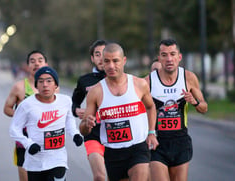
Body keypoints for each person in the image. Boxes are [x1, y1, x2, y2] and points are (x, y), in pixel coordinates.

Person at [80, 43, 158, 181]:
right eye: (107, 61)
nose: (111, 66)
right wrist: (87, 123)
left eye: (115, 61)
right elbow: (83, 130)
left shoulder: (139, 84)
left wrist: (151, 132)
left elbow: (151, 107)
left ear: (124, 61)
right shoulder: (96, 91)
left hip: (138, 147)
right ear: (102, 63)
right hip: (112, 152)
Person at [145, 38, 208, 181]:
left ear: (179, 57)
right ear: (159, 57)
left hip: (181, 141)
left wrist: (195, 102)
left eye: (173, 54)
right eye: (165, 55)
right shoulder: (148, 82)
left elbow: (204, 108)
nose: (169, 59)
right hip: (157, 143)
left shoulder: (188, 78)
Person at [9, 66, 83, 181]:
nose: (45, 85)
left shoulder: (65, 101)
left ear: (56, 85)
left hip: (58, 160)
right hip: (35, 162)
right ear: (36, 85)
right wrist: (28, 144)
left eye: (49, 81)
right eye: (41, 81)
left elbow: (69, 121)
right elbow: (14, 129)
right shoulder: (26, 105)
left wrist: (75, 134)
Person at [3, 50, 49, 181]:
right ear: (27, 66)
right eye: (32, 61)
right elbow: (6, 108)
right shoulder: (19, 87)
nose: (36, 64)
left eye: (40, 61)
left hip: (46, 142)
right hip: (24, 142)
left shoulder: (53, 87)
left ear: (46, 64)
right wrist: (21, 117)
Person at [72, 40, 107, 181]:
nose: (101, 58)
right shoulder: (84, 81)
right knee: (99, 176)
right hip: (93, 133)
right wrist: (76, 110)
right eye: (97, 54)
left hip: (116, 133)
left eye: (104, 54)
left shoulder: (121, 79)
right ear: (92, 59)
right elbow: (74, 102)